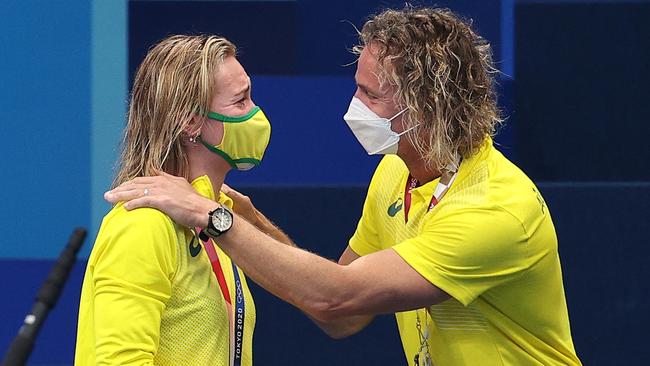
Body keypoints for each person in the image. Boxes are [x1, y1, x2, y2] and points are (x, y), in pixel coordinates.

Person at [106, 7, 582, 366]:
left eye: (370, 95)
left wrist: (218, 219)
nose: (352, 105)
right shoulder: (396, 174)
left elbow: (337, 297)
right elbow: (343, 318)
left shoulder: (496, 209)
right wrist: (251, 224)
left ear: (425, 108)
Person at [75, 34, 287, 365]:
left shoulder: (220, 219)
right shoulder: (143, 223)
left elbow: (319, 293)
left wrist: (251, 221)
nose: (256, 113)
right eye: (241, 101)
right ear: (190, 121)